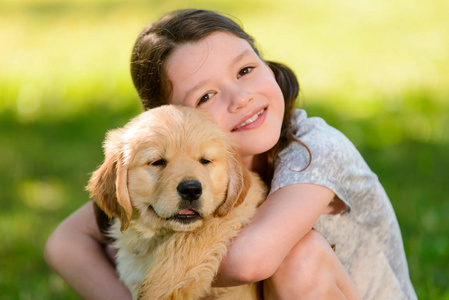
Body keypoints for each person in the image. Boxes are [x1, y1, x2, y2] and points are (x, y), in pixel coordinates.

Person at [45, 9, 417, 300]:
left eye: (246, 69)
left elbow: (249, 260)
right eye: (205, 97)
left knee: (296, 256)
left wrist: (151, 271)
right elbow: (64, 243)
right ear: (171, 120)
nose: (241, 99)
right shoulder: (173, 175)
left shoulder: (316, 150)